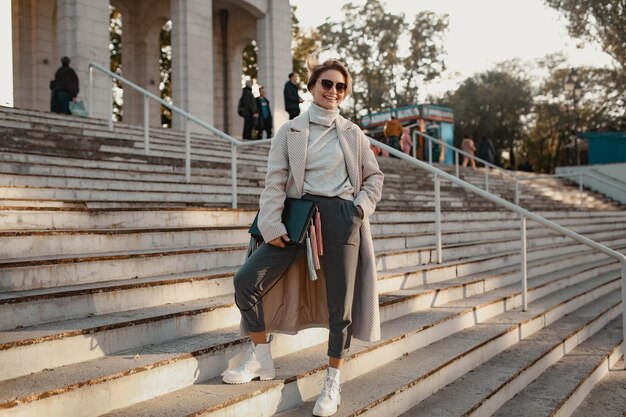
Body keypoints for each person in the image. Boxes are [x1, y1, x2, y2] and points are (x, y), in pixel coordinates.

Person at [222, 52, 384, 417]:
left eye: (341, 87)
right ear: (311, 88)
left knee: (339, 305)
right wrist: (271, 223)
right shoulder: (291, 130)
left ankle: (332, 381)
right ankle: (261, 356)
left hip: (342, 216)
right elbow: (275, 181)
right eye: (327, 84)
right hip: (298, 217)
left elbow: (374, 177)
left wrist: (358, 208)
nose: (334, 91)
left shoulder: (352, 133)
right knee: (247, 279)